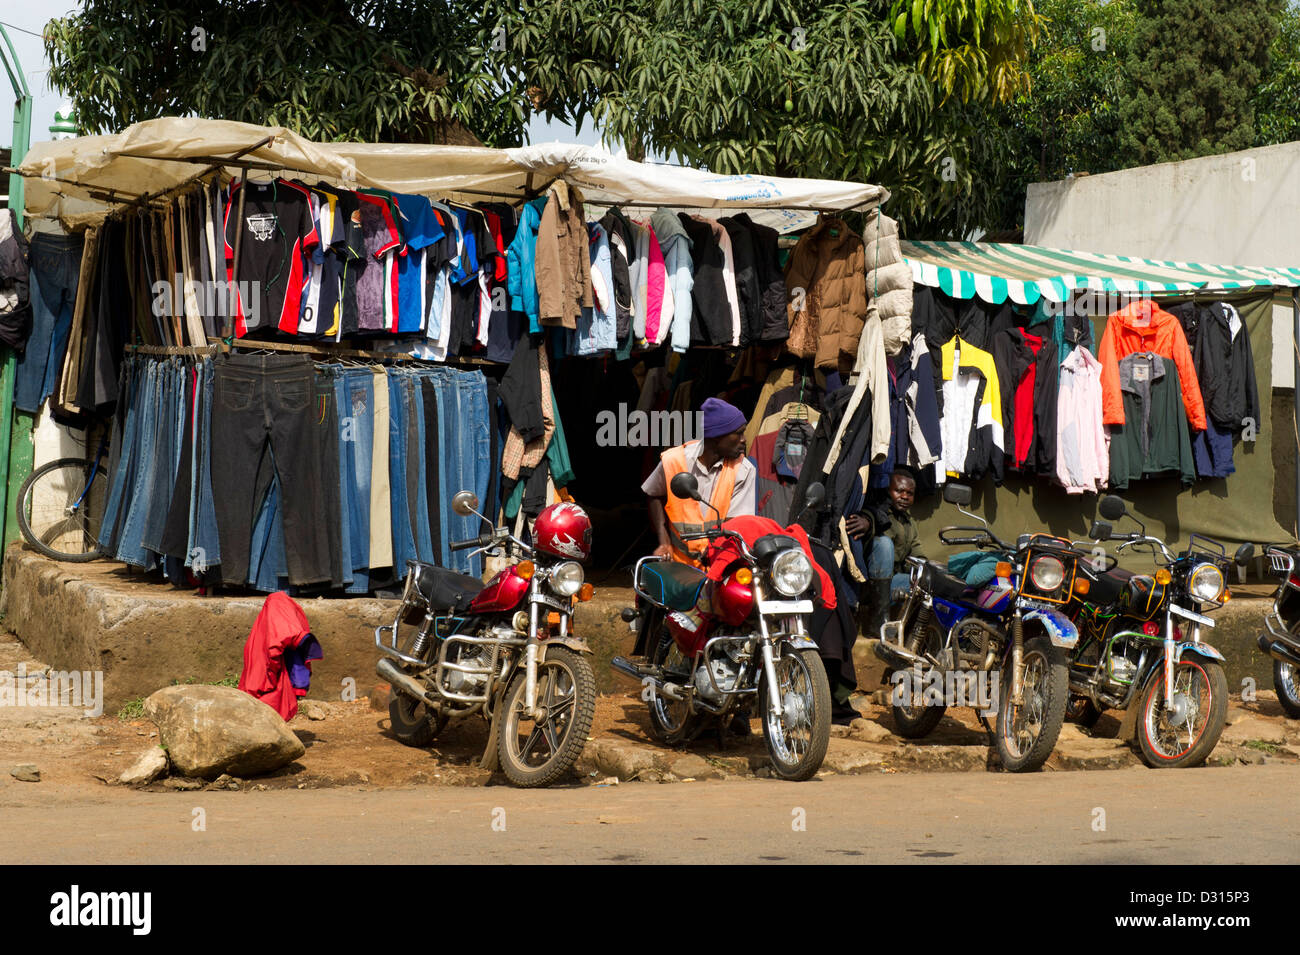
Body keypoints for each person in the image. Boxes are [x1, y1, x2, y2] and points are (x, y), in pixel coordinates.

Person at [642, 397, 757, 565]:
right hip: (678, 563)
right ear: (716, 437)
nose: (744, 440)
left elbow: (737, 525)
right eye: (738, 433)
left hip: (720, 562)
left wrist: (714, 554)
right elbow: (654, 494)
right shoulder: (673, 460)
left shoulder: (743, 470)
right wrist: (664, 540)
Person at [846, 467, 921, 641]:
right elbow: (869, 527)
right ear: (888, 491)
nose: (904, 497)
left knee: (926, 581)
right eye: (899, 491)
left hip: (893, 583)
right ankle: (876, 623)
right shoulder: (876, 514)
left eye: (909, 493)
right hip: (865, 586)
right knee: (884, 544)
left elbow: (919, 556)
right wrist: (868, 522)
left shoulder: (910, 524)